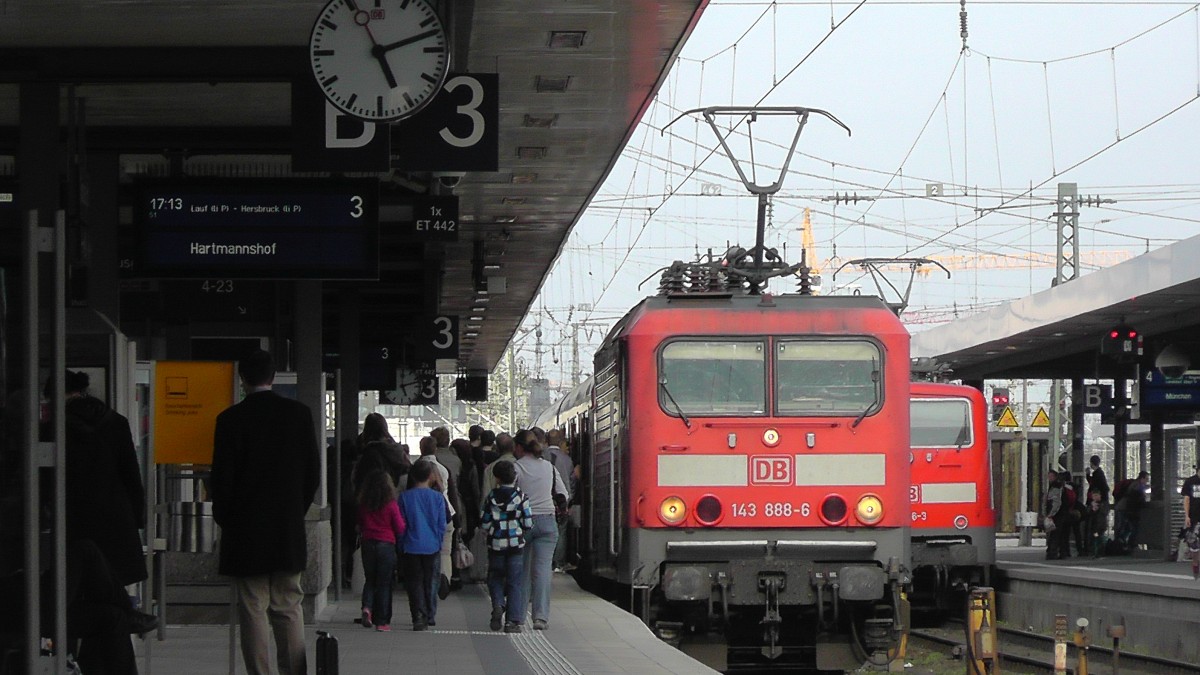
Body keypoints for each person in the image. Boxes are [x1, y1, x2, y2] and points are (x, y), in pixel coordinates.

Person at [211, 350, 320, 675]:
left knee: (253, 607)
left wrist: (228, 519)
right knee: (289, 605)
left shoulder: (229, 420)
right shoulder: (299, 415)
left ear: (242, 378)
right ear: (273, 377)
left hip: (246, 533)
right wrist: (293, 511)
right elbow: (312, 473)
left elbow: (221, 480)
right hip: (286, 529)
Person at [56, 370, 148, 588]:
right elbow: (131, 475)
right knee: (112, 583)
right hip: (116, 516)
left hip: (74, 517)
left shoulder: (56, 427)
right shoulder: (116, 421)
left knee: (78, 584)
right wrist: (137, 517)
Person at [513, 437, 568, 630]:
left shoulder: (517, 467)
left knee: (522, 569)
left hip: (523, 522)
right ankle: (540, 618)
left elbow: (511, 493)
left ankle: (518, 616)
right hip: (547, 521)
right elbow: (563, 494)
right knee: (543, 569)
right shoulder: (549, 468)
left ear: (522, 450)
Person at [481, 460, 533, 633]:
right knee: (515, 582)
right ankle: (512, 621)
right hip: (515, 547)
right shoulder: (521, 497)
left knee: (495, 578)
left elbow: (485, 523)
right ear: (515, 477)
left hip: (496, 546)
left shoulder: (491, 497)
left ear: (496, 478)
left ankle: (497, 605)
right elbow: (527, 523)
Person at [398, 460, 449, 631]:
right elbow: (442, 523)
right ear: (430, 476)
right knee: (431, 580)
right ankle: (430, 613)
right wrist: (439, 540)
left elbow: (401, 524)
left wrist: (402, 542)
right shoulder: (437, 498)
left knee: (414, 582)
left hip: (411, 545)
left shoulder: (404, 497)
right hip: (432, 545)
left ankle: (417, 616)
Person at [357, 469, 406, 632]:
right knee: (384, 583)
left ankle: (367, 608)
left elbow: (360, 524)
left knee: (370, 580)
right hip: (386, 544)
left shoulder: (364, 504)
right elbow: (399, 527)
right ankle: (382, 622)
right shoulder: (391, 504)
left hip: (367, 543)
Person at [544, 429, 573, 570]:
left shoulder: (541, 456)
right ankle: (558, 563)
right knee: (560, 532)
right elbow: (570, 482)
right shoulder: (567, 460)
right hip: (560, 503)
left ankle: (547, 561)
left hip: (543, 503)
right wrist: (568, 502)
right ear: (561, 441)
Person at [481, 433, 517, 507]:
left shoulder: (489, 468)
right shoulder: (520, 465)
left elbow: (485, 494)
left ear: (497, 448)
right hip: (517, 510)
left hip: (495, 511)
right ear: (514, 447)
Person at [1042, 470, 1070, 560]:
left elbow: (1056, 502)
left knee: (1055, 534)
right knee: (1061, 534)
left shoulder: (1055, 486)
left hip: (1057, 514)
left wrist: (1051, 514)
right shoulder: (1060, 486)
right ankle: (1063, 553)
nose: (1049, 478)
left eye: (1050, 476)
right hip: (1062, 513)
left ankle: (1052, 553)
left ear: (1055, 476)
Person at [1181, 465, 1200, 578]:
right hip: (1194, 517)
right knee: (1194, 543)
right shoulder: (1190, 482)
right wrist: (1187, 516)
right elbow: (1187, 499)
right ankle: (1195, 564)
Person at [1086, 489, 1109, 558]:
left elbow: (1105, 512)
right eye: (1094, 496)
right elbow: (1087, 513)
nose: (1095, 497)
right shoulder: (1091, 504)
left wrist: (1098, 508)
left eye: (1096, 495)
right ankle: (1093, 552)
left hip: (1100, 525)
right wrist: (1092, 508)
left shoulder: (1104, 503)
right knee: (1093, 538)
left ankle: (1100, 553)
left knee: (1099, 539)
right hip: (1093, 525)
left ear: (1100, 496)